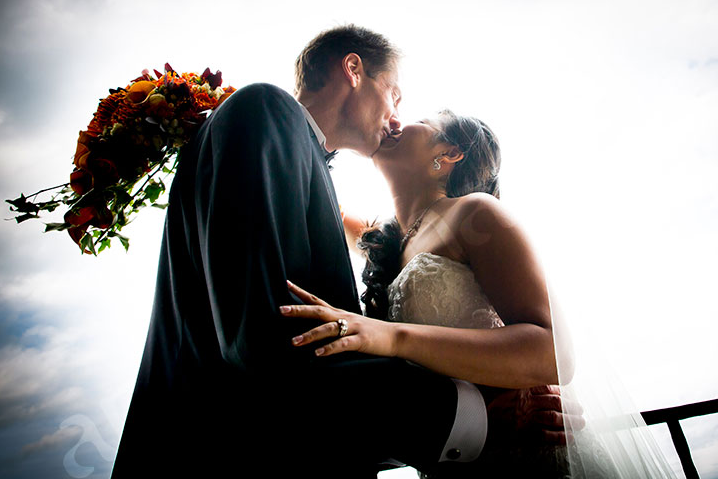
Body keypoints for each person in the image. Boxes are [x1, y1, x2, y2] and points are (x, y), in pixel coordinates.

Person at [111, 25, 570, 478]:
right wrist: (473, 418)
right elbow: (272, 341)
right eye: (394, 95)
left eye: (410, 114)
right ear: (353, 69)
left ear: (448, 155)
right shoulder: (267, 113)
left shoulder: (446, 215)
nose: (395, 118)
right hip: (220, 452)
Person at [281, 110, 677, 477]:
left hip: (529, 454)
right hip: (460, 452)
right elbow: (303, 187)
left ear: (450, 153)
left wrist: (390, 336)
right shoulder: (384, 243)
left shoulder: (474, 214)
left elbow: (552, 351)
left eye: (420, 118)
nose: (397, 121)